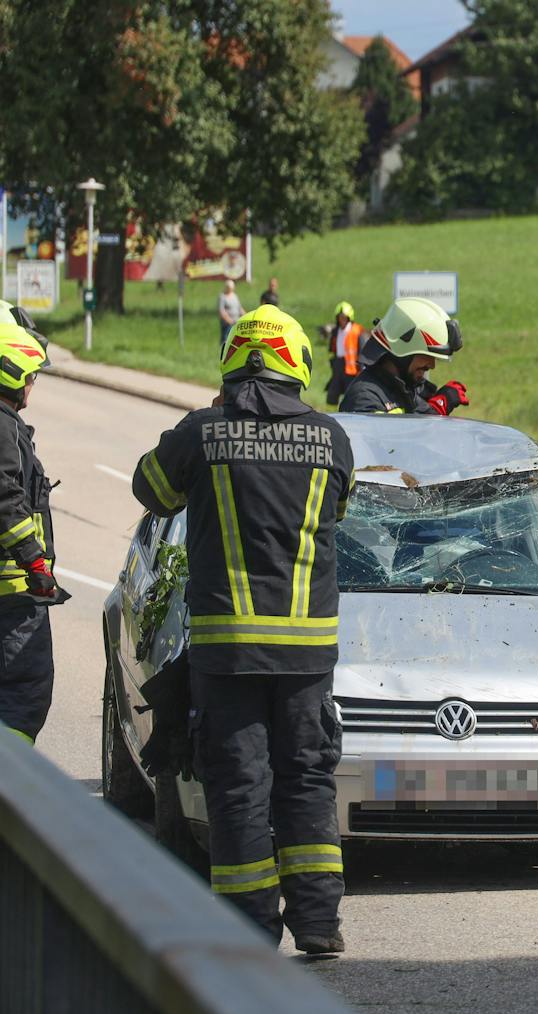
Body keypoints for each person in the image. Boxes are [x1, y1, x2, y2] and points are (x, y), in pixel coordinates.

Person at [132, 304, 355, 954]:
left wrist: (204, 422)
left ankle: (248, 928)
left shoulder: (203, 431)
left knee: (239, 784)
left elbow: (151, 490)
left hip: (227, 651)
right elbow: (339, 508)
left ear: (233, 362)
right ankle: (318, 922)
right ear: (297, 365)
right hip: (307, 652)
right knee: (307, 777)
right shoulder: (331, 438)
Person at [0, 324, 59, 745]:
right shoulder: (2, 428)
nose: (32, 386)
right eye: (31, 377)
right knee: (25, 692)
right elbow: (5, 496)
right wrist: (34, 560)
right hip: (13, 592)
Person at [339, 297, 468, 416]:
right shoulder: (364, 397)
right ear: (403, 351)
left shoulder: (407, 389)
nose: (432, 365)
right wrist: (435, 411)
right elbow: (391, 439)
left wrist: (434, 408)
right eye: (426, 355)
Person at [325, 301, 363, 407]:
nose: (342, 320)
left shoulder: (356, 330)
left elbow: (362, 350)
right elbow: (332, 348)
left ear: (349, 318)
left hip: (351, 368)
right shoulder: (336, 331)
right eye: (340, 317)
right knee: (333, 392)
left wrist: (361, 367)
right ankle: (331, 411)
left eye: (344, 317)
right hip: (338, 365)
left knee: (350, 393)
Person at [218, 279, 244, 346]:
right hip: (227, 323)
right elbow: (222, 311)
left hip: (236, 321)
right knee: (226, 339)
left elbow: (239, 308)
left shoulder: (235, 296)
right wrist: (229, 320)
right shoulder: (222, 297)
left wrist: (245, 315)